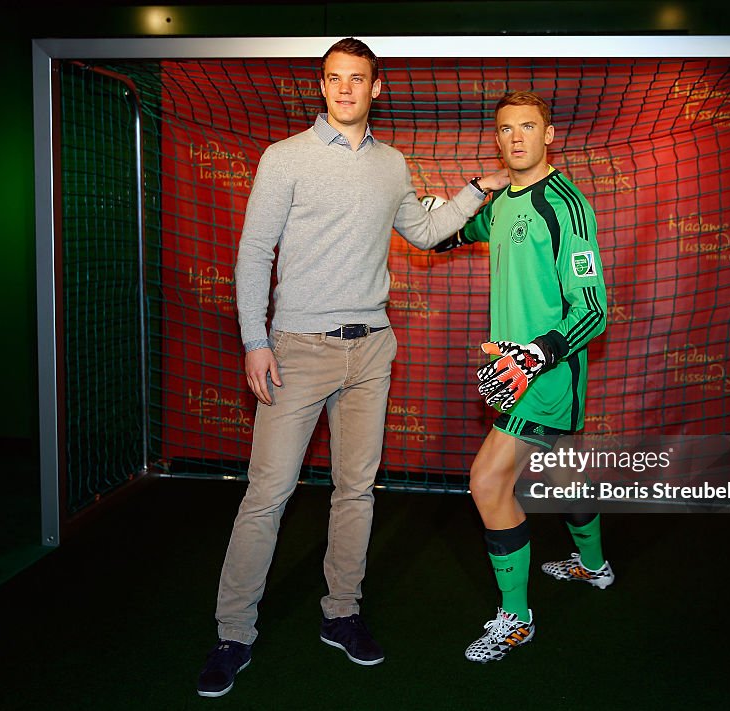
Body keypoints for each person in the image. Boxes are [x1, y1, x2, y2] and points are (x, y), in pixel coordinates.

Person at [196, 37, 509, 697]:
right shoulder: (284, 159)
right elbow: (254, 252)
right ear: (323, 86)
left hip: (371, 349)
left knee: (357, 491)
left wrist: (476, 189)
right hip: (296, 351)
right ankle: (234, 632)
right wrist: (255, 339)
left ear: (375, 87)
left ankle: (341, 613)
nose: (344, 89)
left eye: (357, 79)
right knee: (267, 494)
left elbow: (424, 231)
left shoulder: (393, 164)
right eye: (334, 78)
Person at [434, 91, 612, 663]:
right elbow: (447, 233)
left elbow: (593, 311)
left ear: (549, 135)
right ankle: (593, 565)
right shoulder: (505, 202)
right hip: (513, 370)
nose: (516, 138)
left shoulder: (565, 205)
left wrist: (535, 356)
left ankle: (516, 620)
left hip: (546, 374)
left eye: (528, 127)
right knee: (563, 473)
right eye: (506, 128)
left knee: (487, 482)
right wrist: (426, 208)